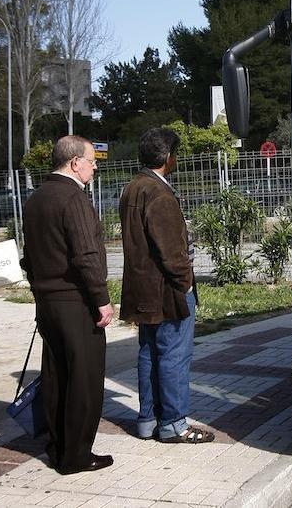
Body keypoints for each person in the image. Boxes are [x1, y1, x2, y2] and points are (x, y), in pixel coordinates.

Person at [22, 135, 115, 473]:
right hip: (76, 303)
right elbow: (86, 256)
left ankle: (58, 445)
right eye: (91, 161)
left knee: (57, 375)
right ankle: (76, 454)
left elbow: (28, 257)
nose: (93, 167)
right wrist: (102, 300)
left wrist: (38, 290)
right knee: (84, 380)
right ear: (75, 162)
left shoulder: (36, 199)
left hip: (47, 301)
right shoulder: (73, 198)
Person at [119, 128, 215, 444]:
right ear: (167, 157)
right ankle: (173, 423)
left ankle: (148, 420)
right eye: (175, 154)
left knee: (149, 353)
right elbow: (171, 249)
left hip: (143, 290)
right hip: (167, 292)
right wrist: (185, 283)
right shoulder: (158, 193)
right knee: (173, 355)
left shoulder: (132, 188)